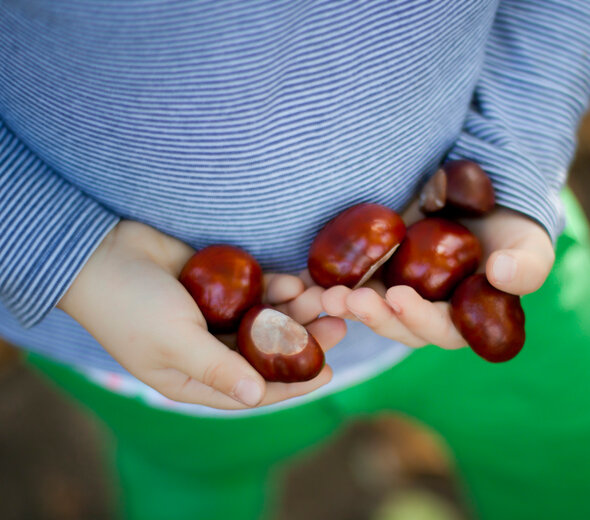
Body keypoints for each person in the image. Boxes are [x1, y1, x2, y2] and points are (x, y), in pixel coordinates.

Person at [1, 1, 589, 518]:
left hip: (475, 263)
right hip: (139, 338)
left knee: (568, 446)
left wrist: (515, 151)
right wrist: (67, 249)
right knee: (191, 482)